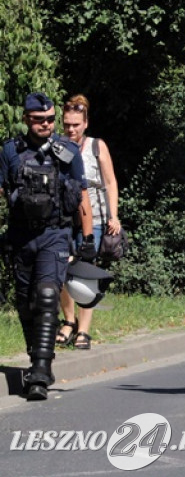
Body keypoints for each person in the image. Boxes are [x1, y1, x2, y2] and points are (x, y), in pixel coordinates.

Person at [1, 93, 92, 400]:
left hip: (55, 233)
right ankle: (34, 355)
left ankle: (41, 370)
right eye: (40, 120)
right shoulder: (10, 151)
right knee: (26, 302)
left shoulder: (66, 151)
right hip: (21, 236)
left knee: (47, 293)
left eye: (51, 119)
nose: (47, 124)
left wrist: (89, 238)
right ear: (26, 119)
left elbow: (81, 196)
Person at [56, 95, 121, 351]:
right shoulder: (57, 145)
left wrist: (113, 216)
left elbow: (110, 182)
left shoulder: (96, 146)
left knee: (84, 272)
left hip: (93, 217)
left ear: (85, 123)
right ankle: (68, 321)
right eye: (67, 125)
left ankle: (84, 329)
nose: (71, 129)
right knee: (60, 270)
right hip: (63, 216)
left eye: (75, 124)